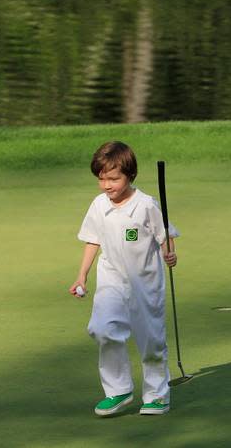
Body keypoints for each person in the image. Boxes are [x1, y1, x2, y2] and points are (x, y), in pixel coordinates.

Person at [69, 141, 180, 416]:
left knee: (150, 339)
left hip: (145, 282)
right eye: (101, 179)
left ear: (130, 175)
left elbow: (165, 236)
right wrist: (82, 274)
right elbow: (92, 240)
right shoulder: (98, 205)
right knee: (102, 329)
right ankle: (118, 390)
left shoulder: (145, 205)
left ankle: (157, 395)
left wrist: (170, 254)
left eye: (113, 178)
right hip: (111, 280)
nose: (106, 185)